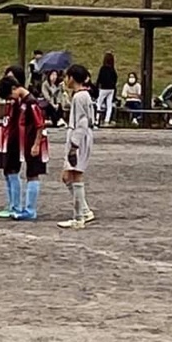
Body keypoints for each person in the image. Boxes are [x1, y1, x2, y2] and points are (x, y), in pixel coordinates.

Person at [0, 75, 48, 221]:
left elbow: (40, 125)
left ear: (14, 88)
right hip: (25, 143)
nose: (11, 99)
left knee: (33, 173)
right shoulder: (22, 102)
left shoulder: (31, 102)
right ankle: (24, 208)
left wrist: (36, 144)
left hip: (33, 142)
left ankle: (31, 210)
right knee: (29, 172)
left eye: (10, 95)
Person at [58, 64, 96, 230]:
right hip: (80, 137)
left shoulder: (80, 96)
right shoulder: (82, 95)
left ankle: (79, 217)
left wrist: (74, 145)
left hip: (79, 138)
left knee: (75, 174)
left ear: (72, 78)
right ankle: (84, 211)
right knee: (68, 176)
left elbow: (82, 122)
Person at [0, 65, 26, 219]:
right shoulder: (10, 101)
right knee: (7, 171)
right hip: (6, 139)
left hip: (15, 140)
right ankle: (11, 203)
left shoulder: (20, 101)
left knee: (13, 172)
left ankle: (16, 205)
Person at [94, 52, 118, 126]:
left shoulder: (103, 69)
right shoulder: (112, 69)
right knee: (109, 105)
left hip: (103, 88)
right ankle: (107, 120)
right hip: (111, 89)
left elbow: (99, 78)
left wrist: (97, 86)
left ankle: (97, 118)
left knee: (99, 103)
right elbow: (115, 78)